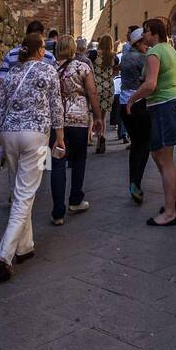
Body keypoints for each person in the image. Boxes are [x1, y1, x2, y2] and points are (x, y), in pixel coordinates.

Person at [0, 31, 65, 281]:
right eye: (44, 47)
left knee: (19, 190)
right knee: (24, 195)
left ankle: (25, 246)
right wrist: (60, 137)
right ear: (40, 50)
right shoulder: (48, 71)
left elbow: (0, 107)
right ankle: (5, 253)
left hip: (9, 134)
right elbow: (56, 106)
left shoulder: (12, 73)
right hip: (35, 134)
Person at [0, 20, 55, 201]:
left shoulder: (12, 54)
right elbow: (54, 90)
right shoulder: (49, 57)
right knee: (37, 157)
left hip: (12, 120)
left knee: (14, 161)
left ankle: (15, 191)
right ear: (42, 36)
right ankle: (31, 188)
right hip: (39, 119)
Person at [126, 18, 176, 226]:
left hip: (163, 105)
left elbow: (150, 84)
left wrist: (133, 98)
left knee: (165, 158)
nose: (144, 36)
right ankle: (173, 199)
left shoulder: (154, 53)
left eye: (146, 32)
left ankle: (170, 212)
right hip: (170, 103)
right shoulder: (169, 49)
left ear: (155, 33)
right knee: (157, 152)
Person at [50, 34, 104, 223]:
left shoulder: (50, 69)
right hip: (79, 120)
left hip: (56, 122)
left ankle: (58, 212)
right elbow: (92, 92)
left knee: (57, 163)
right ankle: (75, 200)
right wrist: (97, 117)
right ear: (73, 48)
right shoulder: (83, 67)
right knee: (79, 159)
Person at [120, 26, 151, 202]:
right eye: (144, 43)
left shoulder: (125, 57)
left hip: (124, 105)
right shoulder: (143, 59)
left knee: (136, 144)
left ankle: (133, 181)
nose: (147, 46)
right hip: (138, 104)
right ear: (138, 42)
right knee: (144, 144)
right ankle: (136, 183)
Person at [93, 33, 116, 154]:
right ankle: (102, 136)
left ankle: (98, 140)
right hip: (109, 87)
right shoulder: (113, 56)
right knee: (103, 116)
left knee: (96, 116)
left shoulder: (94, 54)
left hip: (97, 87)